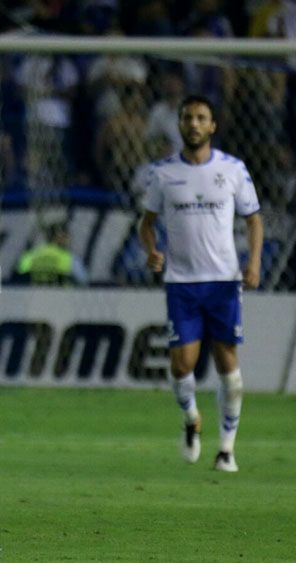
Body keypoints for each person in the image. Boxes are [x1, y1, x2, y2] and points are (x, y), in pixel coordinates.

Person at [138, 95, 263, 473]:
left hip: (224, 281)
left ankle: (226, 449)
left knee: (228, 363)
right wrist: (151, 251)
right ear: (179, 125)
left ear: (213, 126)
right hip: (182, 283)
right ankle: (191, 417)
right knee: (182, 365)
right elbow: (147, 222)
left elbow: (253, 219)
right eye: (188, 118)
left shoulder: (233, 169)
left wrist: (253, 262)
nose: (194, 123)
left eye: (201, 118)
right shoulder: (162, 173)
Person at [14, 222, 88, 286]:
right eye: (65, 236)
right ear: (57, 237)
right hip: (62, 299)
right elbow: (84, 281)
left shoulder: (29, 256)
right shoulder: (69, 258)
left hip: (33, 299)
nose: (68, 240)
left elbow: (17, 280)